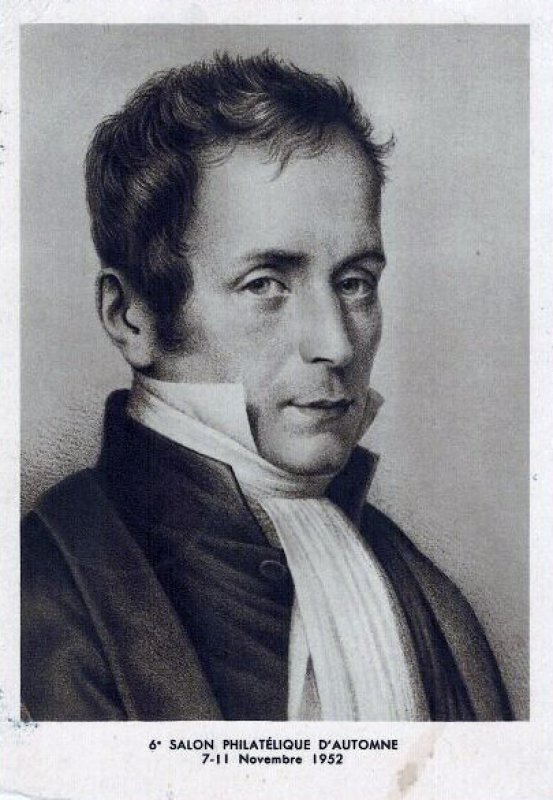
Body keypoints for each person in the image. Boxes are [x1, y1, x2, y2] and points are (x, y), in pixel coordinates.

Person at [21, 52, 512, 722]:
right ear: (130, 316)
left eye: (355, 283)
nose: (337, 344)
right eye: (266, 285)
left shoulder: (421, 592)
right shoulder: (45, 591)